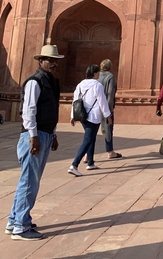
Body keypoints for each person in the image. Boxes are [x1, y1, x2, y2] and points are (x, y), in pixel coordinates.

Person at [6, 44, 64, 240]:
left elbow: (50, 110)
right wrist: (33, 136)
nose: (54, 63)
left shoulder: (50, 82)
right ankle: (21, 227)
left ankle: (15, 220)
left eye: (56, 60)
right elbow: (29, 110)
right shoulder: (35, 81)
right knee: (29, 182)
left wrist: (53, 134)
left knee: (29, 180)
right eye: (50, 60)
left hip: (44, 133)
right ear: (41, 61)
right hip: (34, 135)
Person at [68, 64, 112, 176]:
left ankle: (90, 162)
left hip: (82, 115)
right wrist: (108, 115)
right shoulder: (97, 85)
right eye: (98, 73)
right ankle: (74, 165)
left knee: (91, 138)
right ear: (95, 74)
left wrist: (73, 115)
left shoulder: (80, 84)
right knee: (88, 140)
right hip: (93, 116)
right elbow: (102, 101)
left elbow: (75, 100)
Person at [98, 59, 122, 159]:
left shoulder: (96, 76)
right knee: (108, 129)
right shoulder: (110, 77)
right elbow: (110, 94)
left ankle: (87, 154)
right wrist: (109, 111)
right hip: (106, 107)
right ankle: (110, 151)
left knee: (91, 132)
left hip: (95, 107)